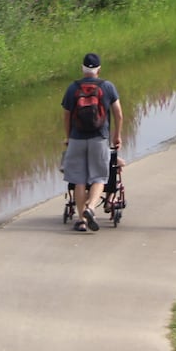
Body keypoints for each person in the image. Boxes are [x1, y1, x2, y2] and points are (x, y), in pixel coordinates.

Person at [61, 52, 124, 232]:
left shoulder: (73, 88)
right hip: (99, 138)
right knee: (99, 177)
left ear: (82, 68)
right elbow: (118, 113)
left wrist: (68, 136)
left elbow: (66, 116)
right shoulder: (108, 86)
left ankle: (81, 220)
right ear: (99, 69)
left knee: (79, 180)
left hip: (76, 139)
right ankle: (91, 207)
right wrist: (116, 136)